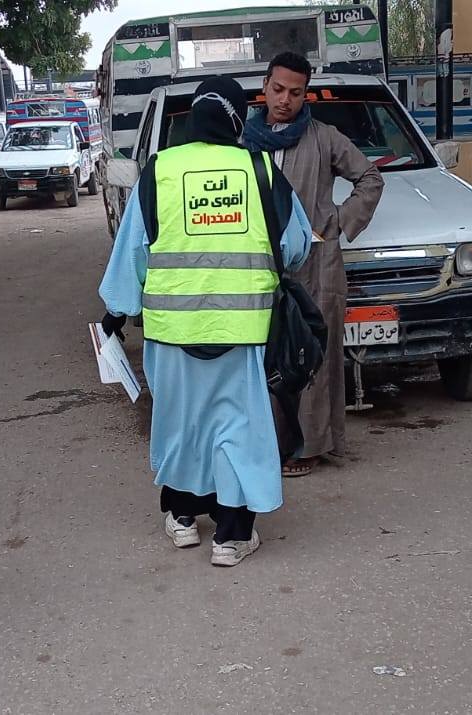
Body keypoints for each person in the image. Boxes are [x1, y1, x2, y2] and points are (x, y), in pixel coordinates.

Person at [98, 76, 314, 567]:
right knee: (237, 429)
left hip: (172, 335)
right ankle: (232, 538)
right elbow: (296, 246)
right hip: (243, 334)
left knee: (179, 426)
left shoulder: (159, 171)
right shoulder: (259, 169)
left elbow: (132, 252)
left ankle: (181, 519)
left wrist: (116, 313)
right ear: (239, 118)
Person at [243, 51, 384, 478]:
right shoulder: (244, 141)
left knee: (313, 356)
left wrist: (337, 223)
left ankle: (312, 446)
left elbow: (370, 178)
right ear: (265, 87)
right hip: (259, 265)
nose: (285, 99)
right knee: (266, 357)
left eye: (296, 92)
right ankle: (272, 444)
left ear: (307, 95)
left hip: (317, 267)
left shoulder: (323, 138)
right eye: (278, 89)